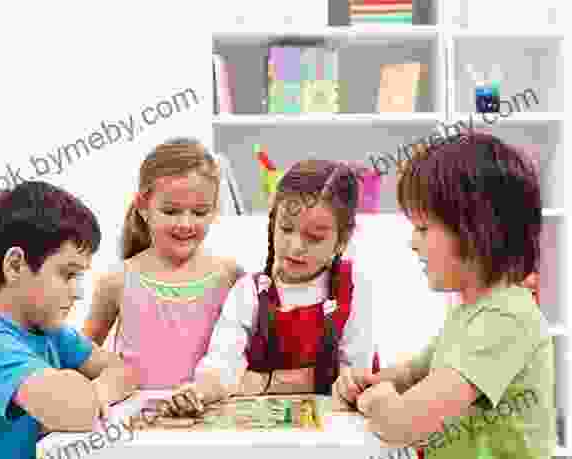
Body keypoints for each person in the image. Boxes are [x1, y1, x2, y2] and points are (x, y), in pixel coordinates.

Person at [337, 132, 555, 458]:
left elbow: (404, 423)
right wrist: (366, 384)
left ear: (478, 232)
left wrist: (377, 402)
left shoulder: (505, 320)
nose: (413, 242)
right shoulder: (470, 313)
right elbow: (412, 374)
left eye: (423, 229)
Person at [161, 159, 375, 415]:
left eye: (314, 237)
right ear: (272, 223)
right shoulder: (248, 292)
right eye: (285, 229)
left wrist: (262, 381)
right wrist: (198, 392)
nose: (295, 246)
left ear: (343, 239)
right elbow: (222, 366)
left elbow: (352, 377)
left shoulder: (353, 289)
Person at [0, 181, 139, 459]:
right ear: (15, 266)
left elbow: (125, 371)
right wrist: (84, 397)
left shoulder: (50, 331)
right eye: (68, 275)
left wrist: (93, 392)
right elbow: (75, 409)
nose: (78, 293)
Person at [82, 137, 244, 394]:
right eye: (171, 211)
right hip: (136, 425)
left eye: (200, 212)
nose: (185, 224)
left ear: (214, 211)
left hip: (212, 421)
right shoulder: (117, 280)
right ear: (144, 208)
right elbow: (81, 355)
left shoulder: (230, 276)